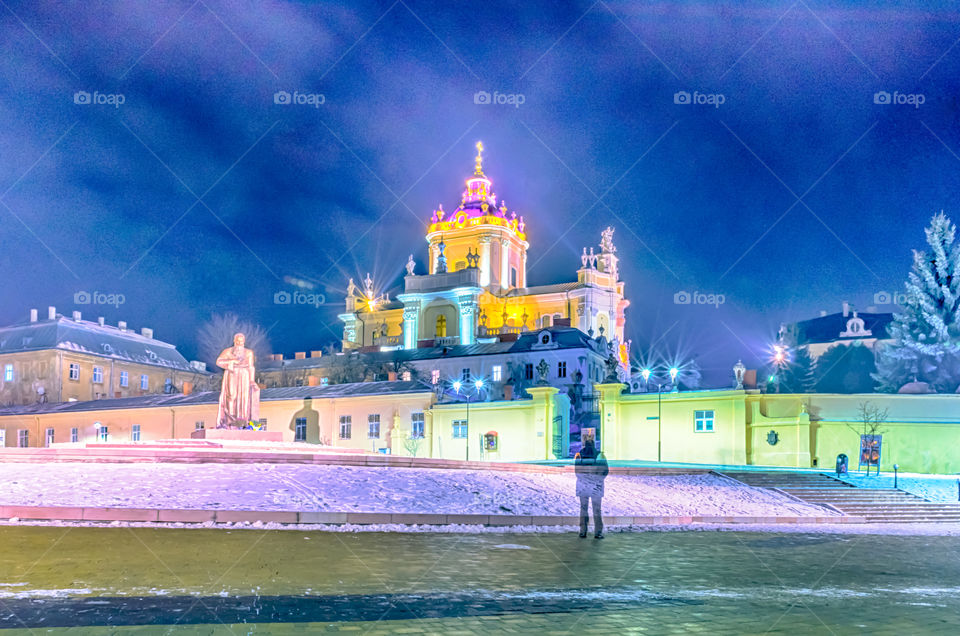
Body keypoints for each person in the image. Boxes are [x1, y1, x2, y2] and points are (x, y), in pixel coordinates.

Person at [575, 438, 608, 539]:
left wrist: (586, 480)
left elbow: (577, 471)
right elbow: (605, 471)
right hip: (596, 487)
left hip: (583, 486)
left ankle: (582, 531)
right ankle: (598, 532)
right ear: (594, 445)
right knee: (597, 510)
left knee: (583, 509)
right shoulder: (600, 455)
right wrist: (595, 480)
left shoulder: (579, 455)